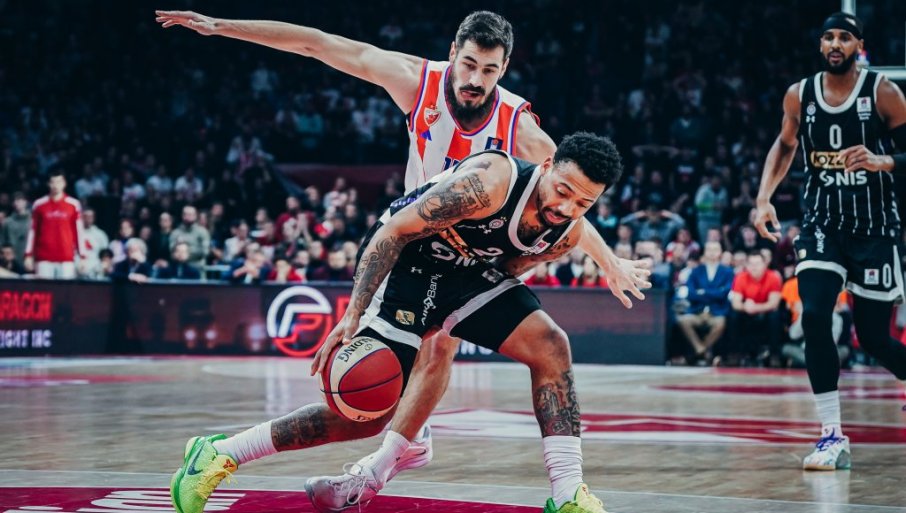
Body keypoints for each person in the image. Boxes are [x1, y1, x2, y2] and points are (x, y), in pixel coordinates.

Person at [156, 7, 631, 499]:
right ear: (453, 53)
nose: (475, 80)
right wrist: (222, 27)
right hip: (412, 246)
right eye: (468, 64)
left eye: (489, 70)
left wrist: (609, 261)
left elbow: (567, 201)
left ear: (504, 69)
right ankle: (380, 444)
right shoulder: (416, 81)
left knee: (497, 343)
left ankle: (551, 489)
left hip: (467, 260)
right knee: (368, 402)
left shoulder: (523, 131)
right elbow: (317, 42)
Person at [167, 134, 650, 513]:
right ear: (545, 166)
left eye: (583, 203)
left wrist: (450, 322)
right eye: (563, 191)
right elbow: (393, 231)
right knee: (367, 410)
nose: (567, 207)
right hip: (407, 265)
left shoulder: (563, 233)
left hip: (465, 275)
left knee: (550, 344)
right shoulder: (492, 182)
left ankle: (567, 494)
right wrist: (354, 314)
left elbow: (504, 271)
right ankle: (221, 452)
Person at [754, 12, 906, 470]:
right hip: (822, 223)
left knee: (873, 338)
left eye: (844, 37)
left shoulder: (884, 92)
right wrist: (763, 198)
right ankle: (831, 435)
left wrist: (883, 162)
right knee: (816, 314)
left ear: (859, 45)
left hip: (875, 227)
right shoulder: (800, 94)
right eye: (828, 37)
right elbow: (785, 145)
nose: (835, 44)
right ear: (821, 45)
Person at [676, 241, 733, 363]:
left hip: (716, 312)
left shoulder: (727, 271)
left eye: (715, 249)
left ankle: (700, 350)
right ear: (705, 252)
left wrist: (703, 292)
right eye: (709, 249)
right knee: (683, 320)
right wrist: (714, 292)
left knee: (720, 323)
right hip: (697, 311)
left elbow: (724, 293)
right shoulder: (696, 271)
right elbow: (691, 294)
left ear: (720, 252)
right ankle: (701, 349)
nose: (712, 253)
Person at [25, 171, 86, 279]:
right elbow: (33, 231)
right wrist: (28, 255)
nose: (55, 185)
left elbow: (79, 232)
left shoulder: (73, 204)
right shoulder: (39, 205)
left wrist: (82, 256)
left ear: (64, 183)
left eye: (59, 182)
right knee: (44, 289)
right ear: (48, 184)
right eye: (53, 182)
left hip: (66, 258)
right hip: (44, 258)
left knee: (66, 289)